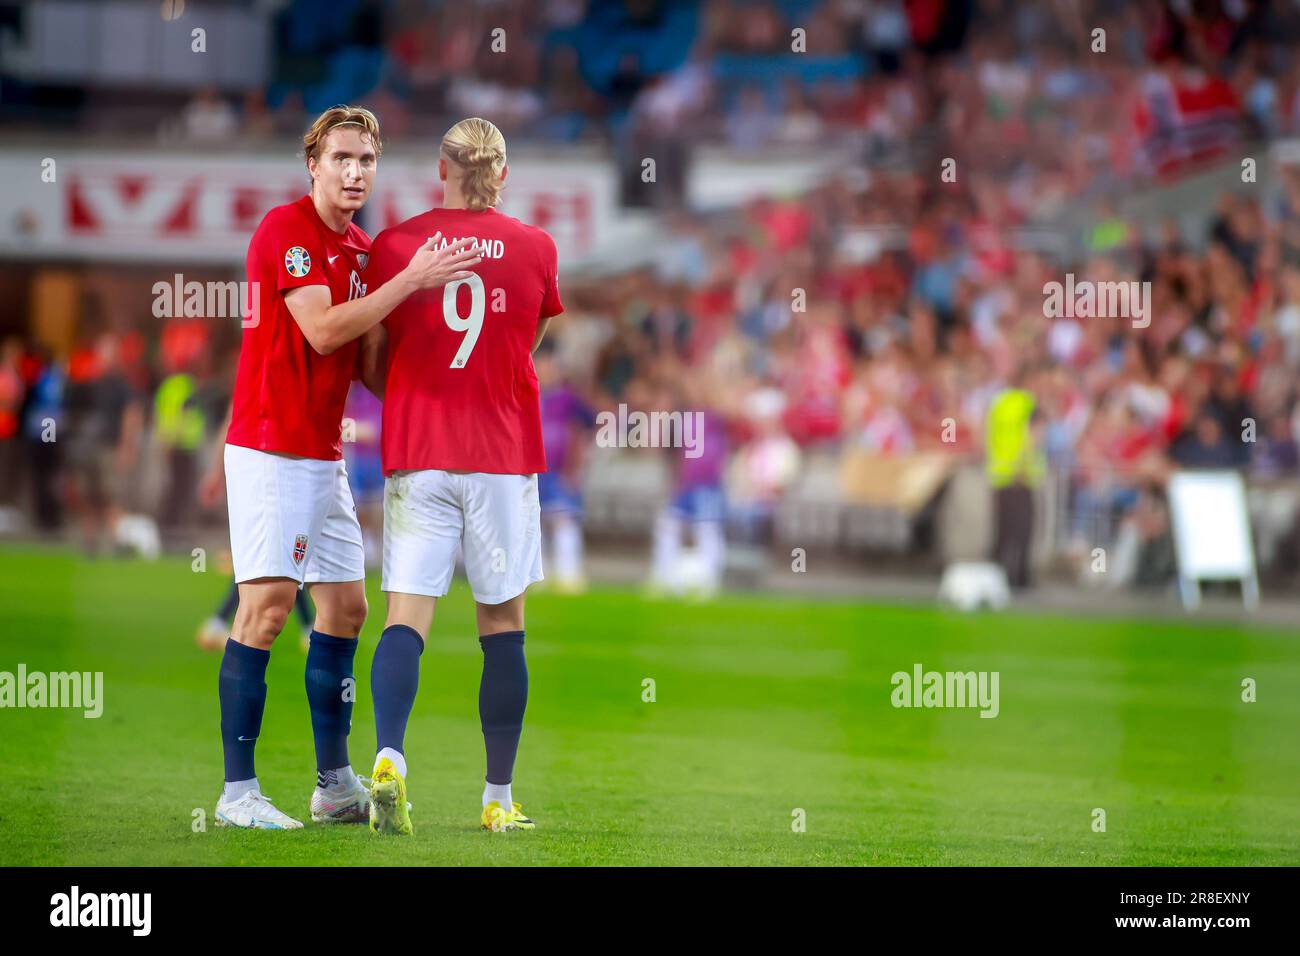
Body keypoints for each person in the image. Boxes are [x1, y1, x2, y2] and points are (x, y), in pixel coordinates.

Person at [212, 104, 481, 831]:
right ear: (314, 164)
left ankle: (333, 785)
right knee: (267, 609)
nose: (355, 172)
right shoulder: (284, 231)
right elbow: (323, 327)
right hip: (270, 446)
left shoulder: (363, 251)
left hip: (324, 451)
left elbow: (367, 368)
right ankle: (237, 793)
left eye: (366, 161)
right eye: (342, 159)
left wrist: (447, 358)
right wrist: (409, 284)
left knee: (346, 609)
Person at [359, 116, 562, 835]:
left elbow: (372, 354)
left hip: (419, 449)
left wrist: (416, 392)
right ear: (502, 175)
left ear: (437, 170)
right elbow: (526, 344)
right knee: (503, 626)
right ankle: (497, 799)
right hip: (501, 456)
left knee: (404, 619)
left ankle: (388, 758)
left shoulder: (394, 245)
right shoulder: (536, 248)